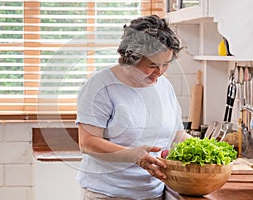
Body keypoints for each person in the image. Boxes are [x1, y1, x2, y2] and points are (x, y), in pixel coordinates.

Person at [75, 15, 191, 200]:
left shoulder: (164, 86)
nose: (160, 72)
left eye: (166, 64)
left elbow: (177, 135)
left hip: (154, 192)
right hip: (110, 193)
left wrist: (208, 149)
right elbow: (87, 143)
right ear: (131, 58)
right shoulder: (100, 86)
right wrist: (132, 155)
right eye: (152, 65)